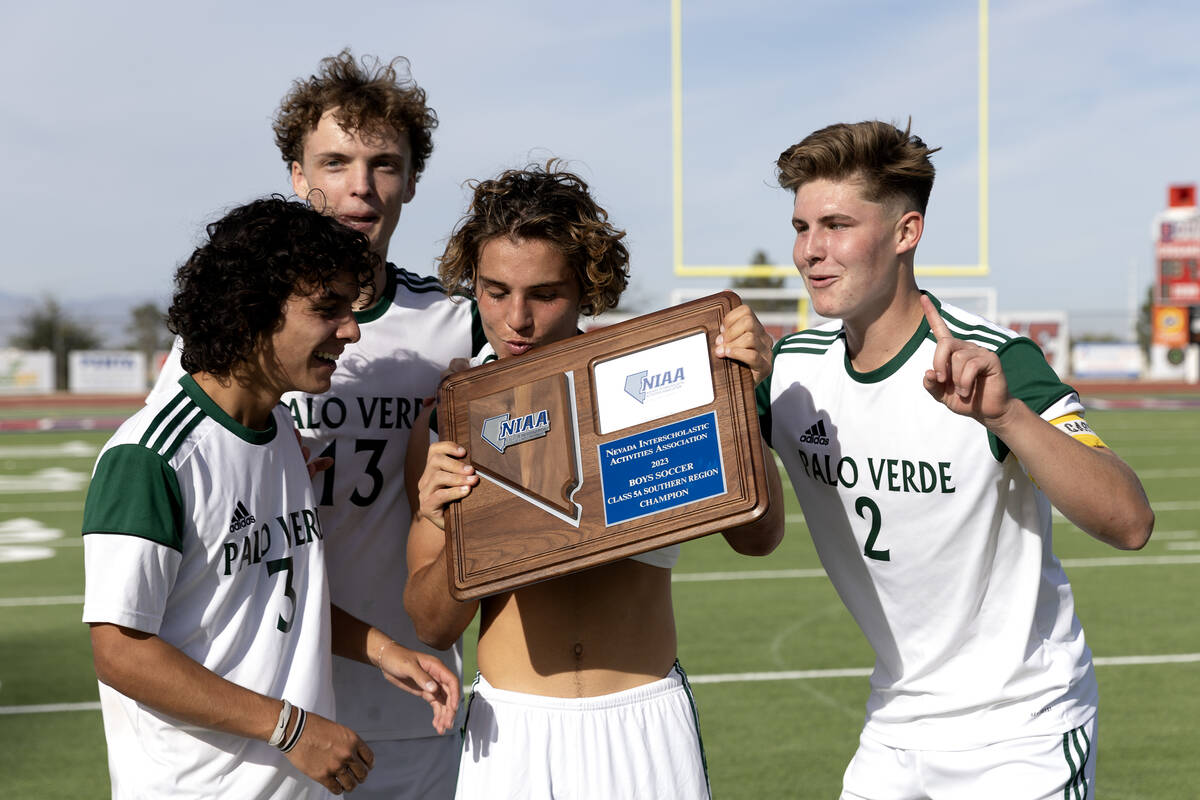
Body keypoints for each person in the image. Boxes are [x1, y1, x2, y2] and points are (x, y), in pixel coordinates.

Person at [757, 120, 1155, 799]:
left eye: (836, 224)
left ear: (906, 233)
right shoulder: (792, 371)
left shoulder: (995, 360)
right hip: (894, 724)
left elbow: (1129, 521)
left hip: (1020, 729)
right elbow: (745, 525)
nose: (810, 252)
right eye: (801, 227)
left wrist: (1006, 415)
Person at [147, 50, 483, 798]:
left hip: (405, 699)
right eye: (334, 162)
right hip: (260, 696)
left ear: (412, 180)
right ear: (297, 177)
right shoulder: (229, 331)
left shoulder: (456, 324)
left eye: (384, 164)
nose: (359, 187)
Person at [403, 162, 786, 800]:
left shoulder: (656, 379)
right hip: (513, 731)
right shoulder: (451, 418)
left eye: (543, 293)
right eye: (495, 292)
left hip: (643, 719)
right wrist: (444, 518)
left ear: (588, 287)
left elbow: (759, 540)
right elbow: (431, 626)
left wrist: (741, 406)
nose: (515, 319)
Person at [83, 197, 459, 799]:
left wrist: (385, 650)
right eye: (327, 310)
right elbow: (120, 652)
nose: (351, 331)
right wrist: (290, 730)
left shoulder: (279, 428)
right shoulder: (152, 458)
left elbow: (275, 595)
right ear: (253, 311)